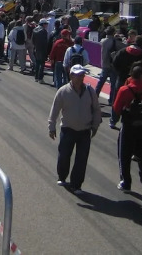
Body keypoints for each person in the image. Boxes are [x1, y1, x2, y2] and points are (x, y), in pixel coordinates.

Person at [48, 64, 102, 195]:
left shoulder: (90, 91)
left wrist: (95, 125)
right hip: (68, 129)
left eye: (82, 75)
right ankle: (62, 176)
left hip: (84, 130)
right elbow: (55, 110)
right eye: (77, 75)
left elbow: (96, 109)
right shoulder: (63, 91)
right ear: (71, 76)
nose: (80, 78)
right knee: (64, 155)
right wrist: (51, 127)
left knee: (81, 159)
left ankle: (76, 185)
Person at [113, 63, 142, 193]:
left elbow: (116, 108)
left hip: (128, 126)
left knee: (124, 155)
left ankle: (126, 182)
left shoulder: (124, 90)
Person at [95, 26, 123, 101]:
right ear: (113, 33)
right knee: (113, 84)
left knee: (101, 82)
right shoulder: (115, 42)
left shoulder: (103, 41)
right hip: (112, 65)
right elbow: (124, 46)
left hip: (104, 64)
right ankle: (111, 100)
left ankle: (95, 96)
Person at [33, 18, 49, 83]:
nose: (47, 25)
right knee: (42, 64)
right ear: (43, 24)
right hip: (42, 49)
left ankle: (36, 77)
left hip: (36, 48)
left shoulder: (35, 30)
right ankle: (40, 78)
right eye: (46, 24)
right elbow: (45, 42)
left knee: (37, 63)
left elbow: (33, 40)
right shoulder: (44, 31)